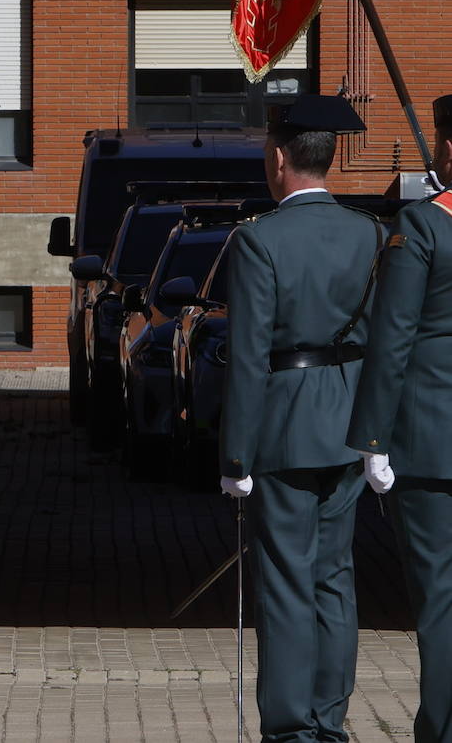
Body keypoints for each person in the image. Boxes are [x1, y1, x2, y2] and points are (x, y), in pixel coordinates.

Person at [218, 93, 383, 743]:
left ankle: (291, 729)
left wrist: (236, 456)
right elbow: (384, 340)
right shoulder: (370, 233)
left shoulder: (258, 239)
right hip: (347, 424)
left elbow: (248, 355)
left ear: (280, 159)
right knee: (334, 578)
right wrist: (377, 435)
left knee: (287, 581)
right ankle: (327, 721)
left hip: (285, 428)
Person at [346, 93, 452, 742]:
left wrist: (371, 437)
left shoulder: (423, 226)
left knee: (440, 599)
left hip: (433, 440)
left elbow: (392, 339)